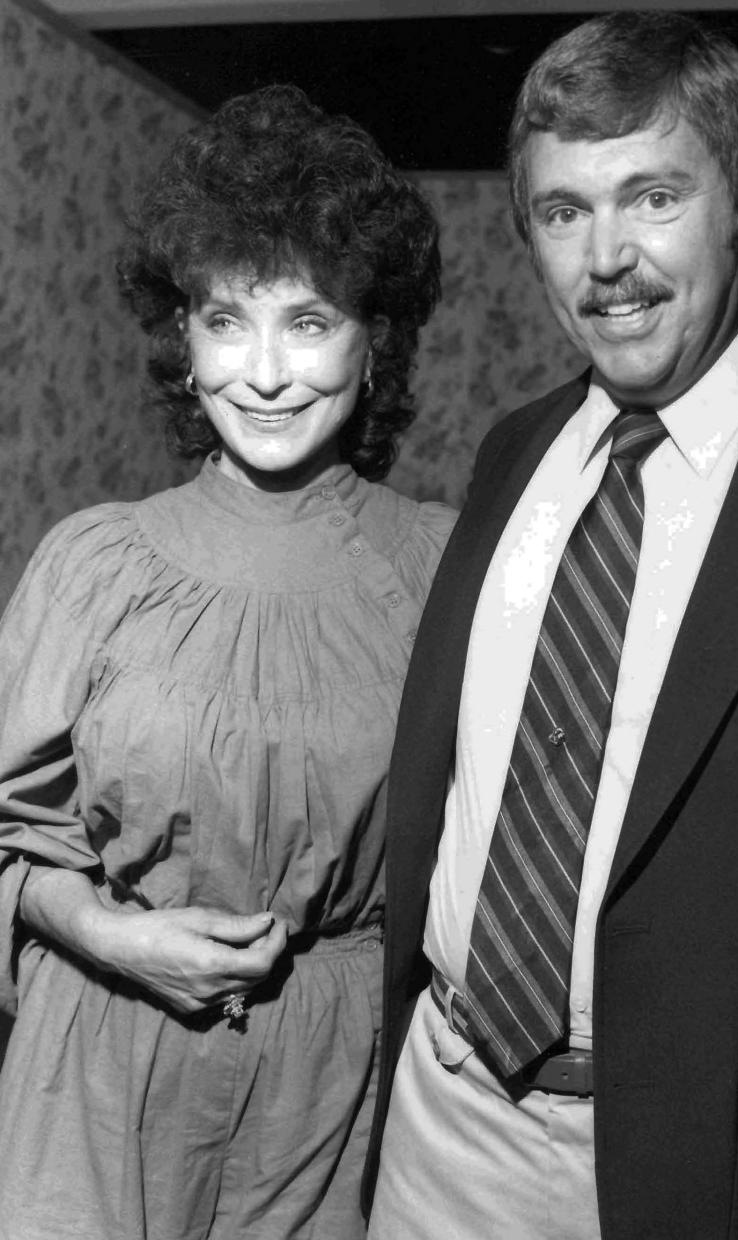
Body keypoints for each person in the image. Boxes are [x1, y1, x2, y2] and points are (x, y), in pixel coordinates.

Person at [364, 12, 738, 1240]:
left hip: (702, 1178)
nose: (607, 258)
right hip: (440, 1112)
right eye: (564, 211)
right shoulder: (511, 451)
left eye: (651, 196)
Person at [0, 84, 455, 1240]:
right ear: (183, 345)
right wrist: (102, 930)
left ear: (374, 340)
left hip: (333, 1083)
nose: (264, 372)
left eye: (307, 322)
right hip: (95, 1065)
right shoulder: (92, 564)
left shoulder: (449, 567)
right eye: (224, 321)